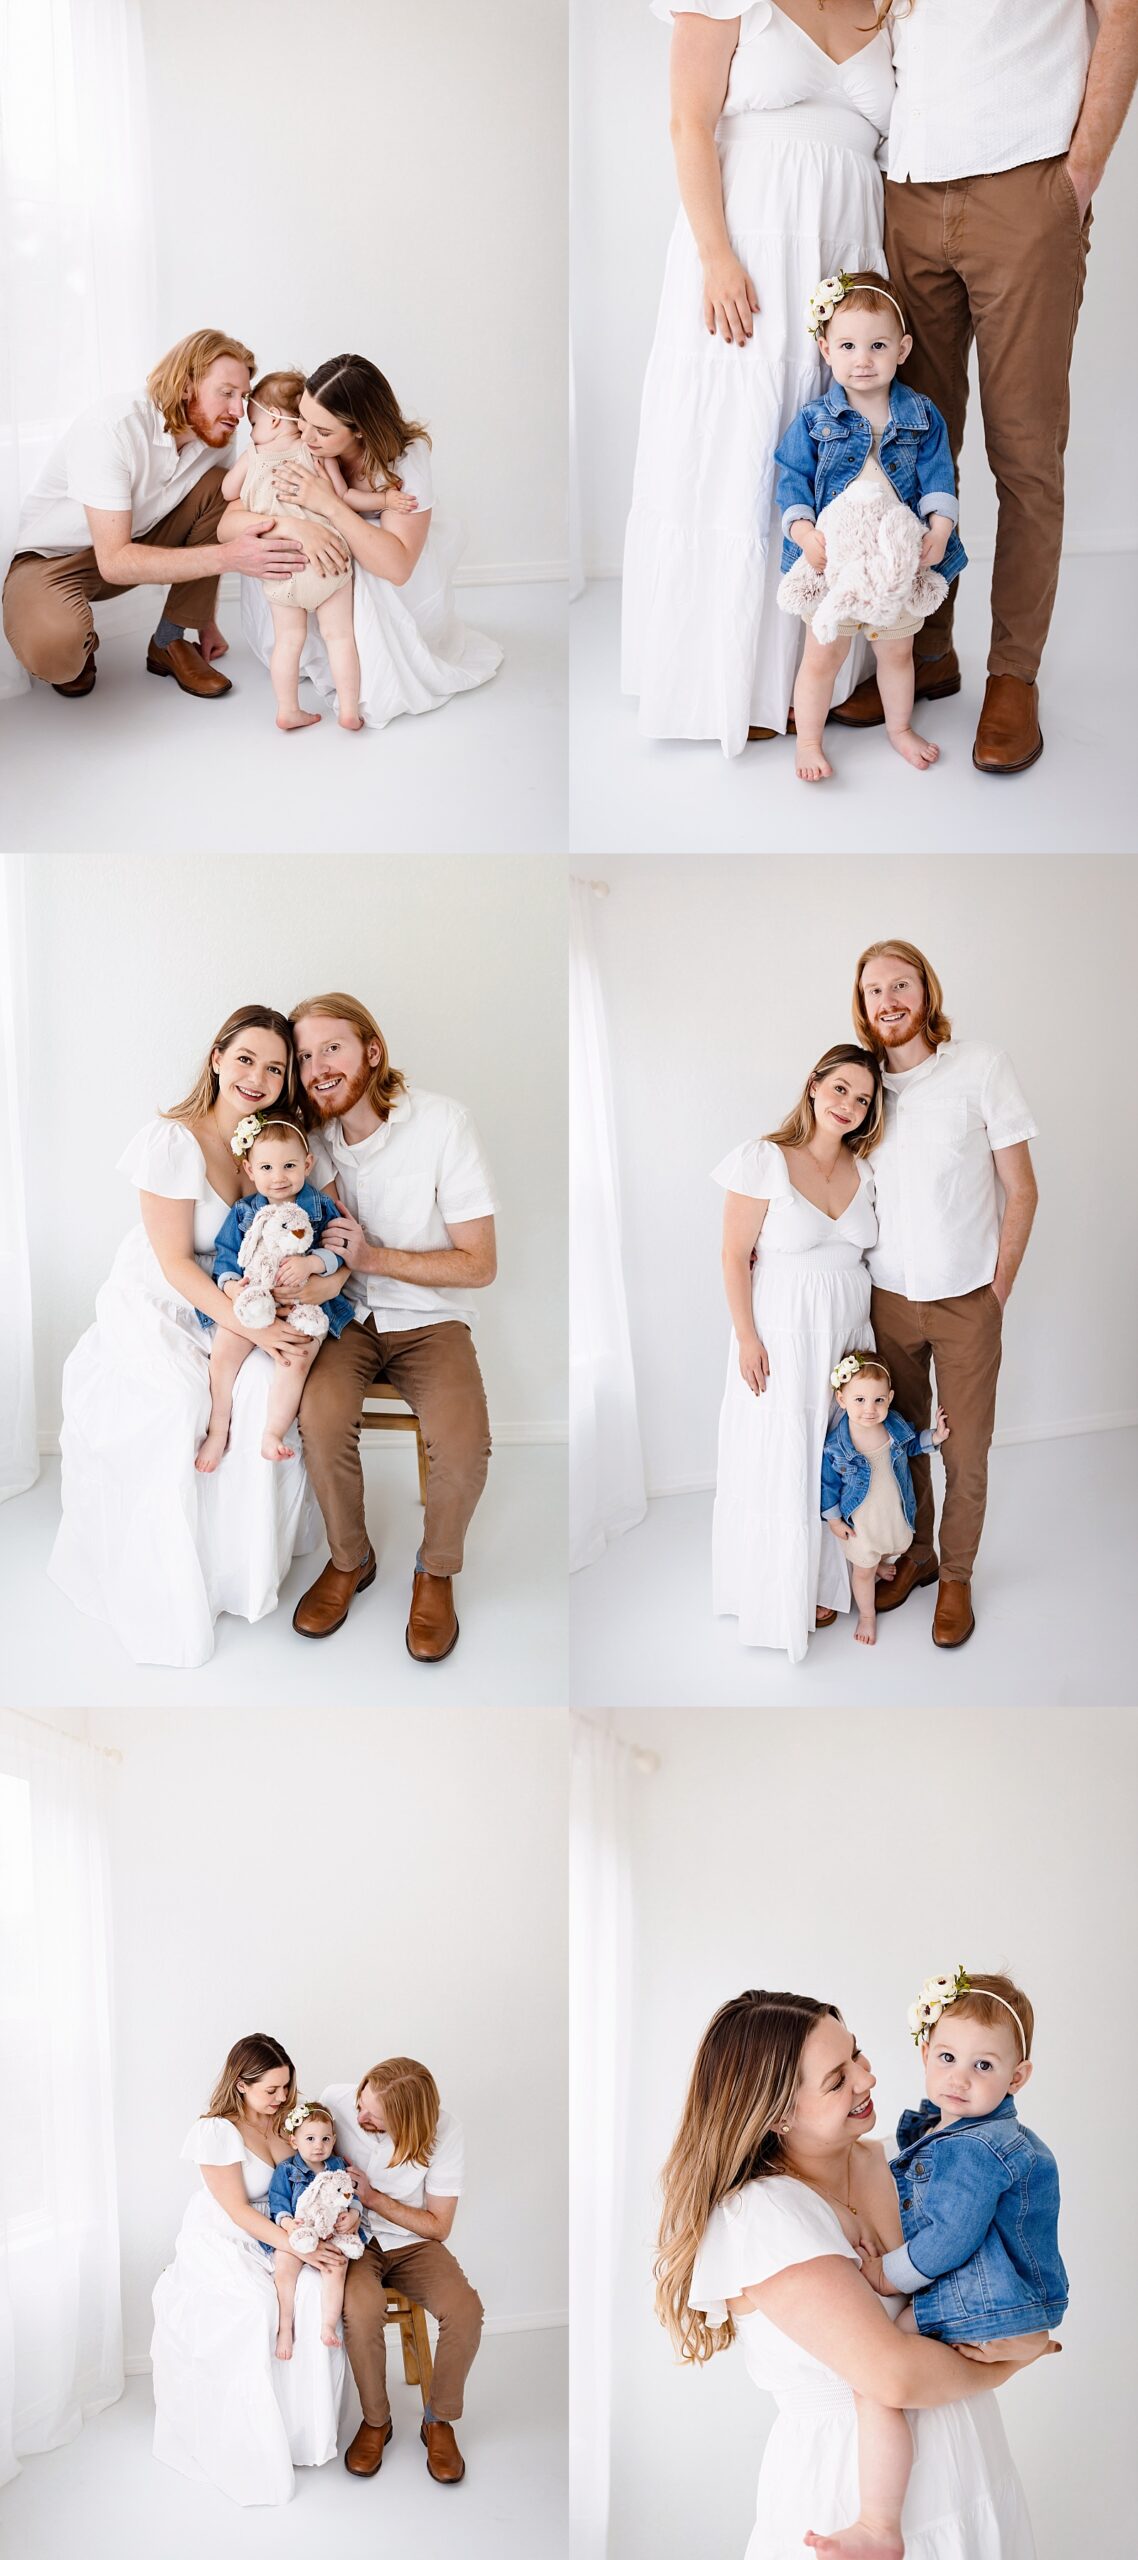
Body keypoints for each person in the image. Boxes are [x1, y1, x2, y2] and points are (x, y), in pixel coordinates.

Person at [831, 0, 1138, 774]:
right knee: (908, 444)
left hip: (1028, 180)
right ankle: (923, 649)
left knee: (1026, 451)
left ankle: (1013, 677)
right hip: (910, 183)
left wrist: (1081, 174)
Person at [655, 1988, 1054, 2560]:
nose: (866, 2079)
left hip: (972, 2475)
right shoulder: (763, 2216)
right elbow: (893, 2377)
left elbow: (1005, 2264)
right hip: (850, 2503)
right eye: (837, 2079)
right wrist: (1016, 2359)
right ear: (777, 2114)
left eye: (857, 2055)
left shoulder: (910, 2163)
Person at [623, 4, 896, 756]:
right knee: (741, 444)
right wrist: (716, 254)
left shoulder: (885, 7)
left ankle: (823, 670)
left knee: (835, 452)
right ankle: (729, 680)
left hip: (848, 243)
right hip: (751, 236)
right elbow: (687, 122)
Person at [48, 1006, 324, 1667]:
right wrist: (254, 1329)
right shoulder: (172, 1140)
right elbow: (174, 1263)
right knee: (179, 1407)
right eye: (247, 1059)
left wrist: (309, 1283)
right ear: (217, 1058)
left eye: (276, 1068)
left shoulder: (271, 1152)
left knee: (264, 1392)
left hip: (235, 1300)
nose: (258, 1077)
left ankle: (239, 1572)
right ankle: (167, 1581)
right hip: (164, 1299)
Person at [822, 1967, 1067, 2560]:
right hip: (1010, 2297)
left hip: (982, 2297)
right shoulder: (957, 2134)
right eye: (948, 2057)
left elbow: (950, 2240)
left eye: (983, 2066)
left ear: (1018, 2076)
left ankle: (879, 2523)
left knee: (876, 2381)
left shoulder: (974, 2148)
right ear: (925, 2052)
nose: (959, 2078)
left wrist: (885, 2275)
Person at [289, 994, 498, 1661]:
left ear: (370, 1051)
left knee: (464, 1447)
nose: (317, 1067)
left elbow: (481, 1264)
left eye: (332, 1048)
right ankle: (351, 1559)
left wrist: (375, 1257)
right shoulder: (302, 1142)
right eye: (303, 1056)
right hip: (342, 1317)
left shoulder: (442, 1122)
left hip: (429, 1322)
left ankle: (435, 1571)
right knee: (318, 1421)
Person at [852, 941, 1038, 1649]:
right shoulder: (860, 1085)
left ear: (926, 992)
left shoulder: (980, 1068)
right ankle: (917, 1553)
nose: (888, 999)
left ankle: (956, 1574)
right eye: (874, 990)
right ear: (863, 1006)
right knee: (898, 1444)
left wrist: (997, 1291)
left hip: (967, 1301)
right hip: (886, 1299)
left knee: (965, 1452)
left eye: (902, 984)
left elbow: (1022, 1189)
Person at [1, 329, 322, 701]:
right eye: (227, 393)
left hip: (137, 540)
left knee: (222, 489)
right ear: (186, 386)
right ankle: (80, 640)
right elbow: (116, 562)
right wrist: (230, 558)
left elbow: (213, 518)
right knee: (56, 654)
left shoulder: (217, 435)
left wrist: (204, 619)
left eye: (244, 396)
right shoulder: (113, 428)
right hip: (53, 560)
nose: (239, 411)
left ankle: (170, 640)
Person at [221, 354, 502, 728]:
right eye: (303, 418)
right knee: (275, 552)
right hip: (304, 577)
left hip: (378, 576)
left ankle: (347, 699)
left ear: (358, 430)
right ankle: (294, 695)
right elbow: (228, 527)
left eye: (322, 432)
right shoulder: (292, 447)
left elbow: (397, 567)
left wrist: (327, 506)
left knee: (351, 589)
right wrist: (296, 526)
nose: (304, 437)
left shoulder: (403, 459)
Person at [712, 1045, 882, 1662]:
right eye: (840, 1089)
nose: (849, 1106)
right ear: (813, 1086)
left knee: (838, 1453)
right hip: (783, 1333)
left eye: (862, 1099)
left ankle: (834, 1574)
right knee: (785, 1453)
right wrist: (747, 1337)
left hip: (846, 1334)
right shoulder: (765, 1160)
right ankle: (783, 1585)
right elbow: (733, 1255)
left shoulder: (868, 1171)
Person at [775, 269, 966, 781]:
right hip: (833, 561)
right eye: (849, 345)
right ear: (825, 349)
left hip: (894, 558)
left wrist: (940, 530)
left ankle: (899, 729)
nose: (863, 359)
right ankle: (810, 742)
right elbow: (791, 479)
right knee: (822, 657)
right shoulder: (815, 420)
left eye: (878, 345)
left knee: (897, 653)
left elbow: (939, 477)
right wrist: (802, 534)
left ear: (902, 350)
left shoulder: (921, 416)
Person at [151, 2034, 346, 2506]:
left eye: (286, 2087)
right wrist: (299, 2247)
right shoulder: (216, 2131)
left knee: (314, 2295)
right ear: (241, 2083)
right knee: (254, 2311)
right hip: (228, 2236)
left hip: (282, 2230)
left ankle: (303, 2435)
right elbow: (238, 2210)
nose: (282, 2098)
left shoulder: (289, 2125)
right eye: (271, 2090)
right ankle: (250, 2440)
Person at [323, 2058, 484, 2486]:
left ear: (406, 2121)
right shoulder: (335, 2101)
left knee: (465, 2309)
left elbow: (439, 2226)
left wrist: (374, 2199)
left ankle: (438, 2421)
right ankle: (377, 2420)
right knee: (360, 2309)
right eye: (361, 2103)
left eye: (372, 2117)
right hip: (353, 2243)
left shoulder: (446, 2132)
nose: (359, 2118)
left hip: (411, 2243)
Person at [195, 1115, 355, 1473]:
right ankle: (218, 1427)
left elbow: (342, 1249)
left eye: (289, 1166)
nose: (279, 1176)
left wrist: (313, 1264)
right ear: (250, 1170)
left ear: (307, 1165)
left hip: (305, 1304)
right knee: (223, 1353)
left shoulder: (320, 1208)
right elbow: (225, 1256)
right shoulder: (244, 1211)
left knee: (294, 1359)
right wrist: (231, 1285)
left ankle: (273, 1432)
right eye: (267, 1167)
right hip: (255, 1302)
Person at [220, 370, 366, 731]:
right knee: (340, 636)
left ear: (270, 418)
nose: (250, 430)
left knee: (287, 641)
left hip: (282, 564)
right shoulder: (314, 452)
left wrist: (249, 463)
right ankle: (349, 710)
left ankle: (288, 709)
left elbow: (227, 492)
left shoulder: (252, 455)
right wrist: (383, 498)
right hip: (327, 562)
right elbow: (341, 497)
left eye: (252, 422)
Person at [821, 1350, 948, 1646]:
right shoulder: (837, 1444)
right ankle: (867, 1614)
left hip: (890, 1513)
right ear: (842, 1400)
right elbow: (827, 1484)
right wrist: (834, 1519)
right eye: (859, 1400)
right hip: (860, 1523)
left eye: (878, 1400)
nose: (870, 1409)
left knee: (890, 1545)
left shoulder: (893, 1426)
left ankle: (878, 1562)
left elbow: (912, 1444)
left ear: (889, 1398)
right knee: (863, 1571)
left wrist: (935, 1438)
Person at [264, 2100, 364, 2360]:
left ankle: (328, 2325)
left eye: (325, 2139)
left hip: (329, 2234)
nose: (318, 2146)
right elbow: (278, 2204)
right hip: (299, 2234)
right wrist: (287, 2224)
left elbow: (351, 2196)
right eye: (310, 2138)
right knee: (284, 2267)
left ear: (333, 2140)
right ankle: (285, 2327)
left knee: (337, 2265)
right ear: (294, 2141)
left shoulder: (338, 2166)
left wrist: (353, 2213)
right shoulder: (286, 2170)